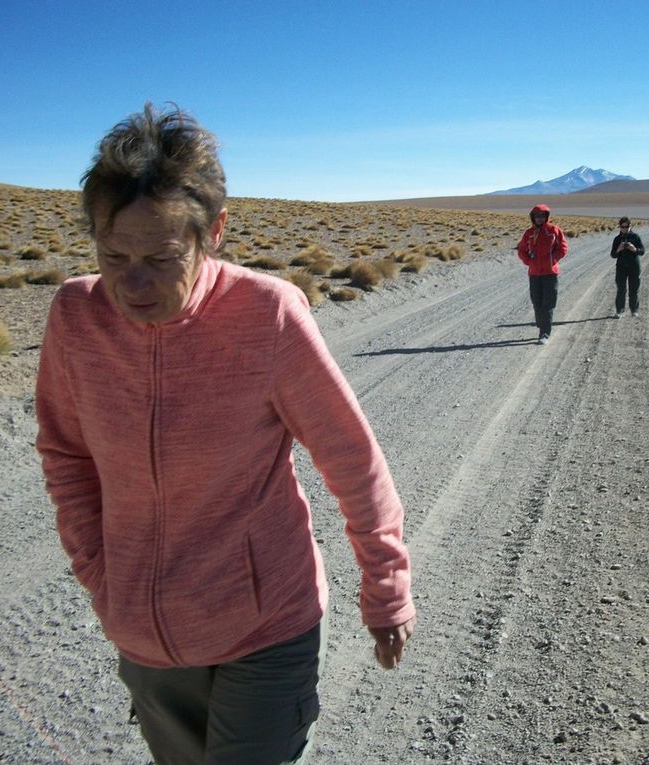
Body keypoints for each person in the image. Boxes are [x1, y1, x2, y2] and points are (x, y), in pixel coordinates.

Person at [35, 104, 416, 765]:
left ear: (215, 231)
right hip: (146, 640)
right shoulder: (76, 315)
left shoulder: (265, 314)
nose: (134, 282)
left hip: (266, 627)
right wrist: (102, 576)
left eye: (161, 256)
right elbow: (66, 454)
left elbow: (352, 457)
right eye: (113, 254)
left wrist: (386, 585)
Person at [516, 203, 568, 344]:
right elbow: (521, 250)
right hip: (534, 273)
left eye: (542, 216)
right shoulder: (529, 233)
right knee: (536, 302)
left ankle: (544, 333)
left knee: (548, 303)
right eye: (537, 216)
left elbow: (563, 247)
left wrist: (553, 259)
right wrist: (528, 261)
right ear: (533, 217)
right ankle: (541, 324)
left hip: (550, 273)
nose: (539, 218)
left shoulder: (554, 230)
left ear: (546, 217)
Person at [610, 216, 645, 318]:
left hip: (634, 266)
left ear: (630, 226)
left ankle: (634, 310)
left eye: (626, 226)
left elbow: (642, 251)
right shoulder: (617, 239)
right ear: (620, 227)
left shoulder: (636, 237)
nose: (624, 228)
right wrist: (619, 249)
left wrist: (634, 249)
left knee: (634, 289)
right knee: (621, 289)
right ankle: (620, 311)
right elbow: (613, 255)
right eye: (622, 226)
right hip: (621, 267)